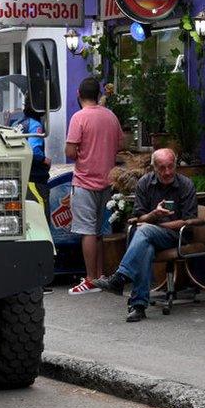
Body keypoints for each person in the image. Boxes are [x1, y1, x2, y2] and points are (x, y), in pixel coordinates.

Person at [92, 148, 198, 322]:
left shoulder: (186, 185)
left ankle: (120, 277)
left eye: (171, 167)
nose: (167, 172)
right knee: (145, 245)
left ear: (176, 165)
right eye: (162, 168)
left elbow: (188, 221)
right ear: (154, 168)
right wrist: (153, 215)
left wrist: (155, 224)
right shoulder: (145, 183)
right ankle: (138, 306)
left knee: (143, 231)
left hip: (176, 235)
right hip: (148, 236)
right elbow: (138, 217)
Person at [66, 77, 124, 295]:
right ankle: (99, 277)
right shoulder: (110, 116)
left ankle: (90, 279)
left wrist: (84, 152)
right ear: (98, 93)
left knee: (87, 231)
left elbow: (70, 152)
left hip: (84, 180)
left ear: (79, 95)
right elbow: (121, 143)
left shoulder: (78, 118)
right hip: (107, 181)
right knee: (99, 231)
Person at [15, 94, 51, 218]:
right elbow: (34, 152)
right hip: (35, 181)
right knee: (41, 220)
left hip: (20, 179)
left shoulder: (18, 123)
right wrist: (44, 160)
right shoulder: (35, 125)